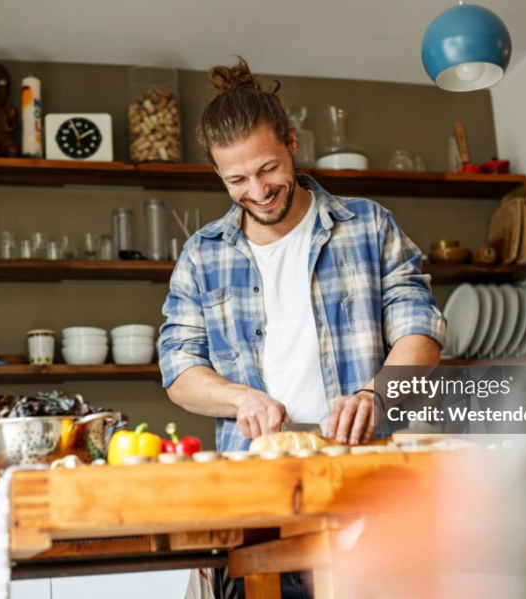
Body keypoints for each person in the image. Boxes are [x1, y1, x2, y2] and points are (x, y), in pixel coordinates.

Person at [158, 57, 444, 453]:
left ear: (291, 143)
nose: (258, 192)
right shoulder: (201, 256)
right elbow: (179, 370)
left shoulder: (368, 225)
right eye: (237, 180)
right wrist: (239, 397)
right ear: (217, 172)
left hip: (363, 459)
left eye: (268, 168)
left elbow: (421, 331)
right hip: (254, 472)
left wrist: (374, 396)